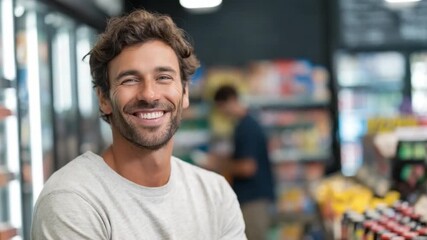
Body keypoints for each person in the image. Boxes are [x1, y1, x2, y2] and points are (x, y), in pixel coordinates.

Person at [31, 9, 246, 240]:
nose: (149, 95)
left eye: (163, 77)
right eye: (130, 80)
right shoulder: (72, 199)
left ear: (184, 93)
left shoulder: (215, 194)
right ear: (104, 99)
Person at [213, 85, 275, 240]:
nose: (221, 112)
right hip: (254, 197)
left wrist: (218, 165)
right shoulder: (246, 124)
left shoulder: (246, 128)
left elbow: (248, 167)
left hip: (253, 200)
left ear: (230, 101)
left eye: (220, 107)